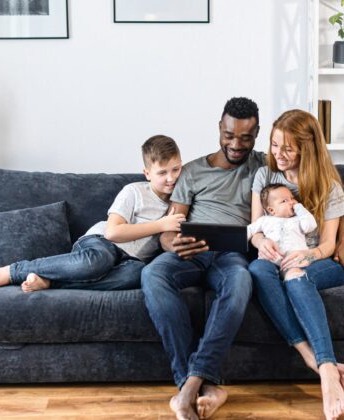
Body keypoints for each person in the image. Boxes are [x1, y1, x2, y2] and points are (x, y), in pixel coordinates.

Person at [141, 97, 263, 420]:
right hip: (191, 253)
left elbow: (315, 173)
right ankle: (198, 386)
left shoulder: (264, 167)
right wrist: (172, 245)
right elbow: (169, 227)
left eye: (245, 137)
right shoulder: (192, 171)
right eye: (229, 135)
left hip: (231, 256)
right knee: (152, 275)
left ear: (258, 134)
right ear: (219, 130)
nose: (236, 144)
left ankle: (189, 387)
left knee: (241, 282)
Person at [0, 135, 185, 292]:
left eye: (176, 169)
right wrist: (161, 225)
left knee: (137, 275)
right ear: (147, 174)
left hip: (131, 261)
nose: (171, 178)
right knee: (98, 261)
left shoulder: (183, 198)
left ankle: (50, 281)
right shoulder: (135, 191)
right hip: (102, 243)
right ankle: (13, 271)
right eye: (162, 173)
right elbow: (113, 232)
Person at [248, 109, 344, 420]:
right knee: (256, 270)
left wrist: (304, 258)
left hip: (318, 262)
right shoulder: (264, 177)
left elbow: (327, 245)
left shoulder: (327, 186)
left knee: (294, 276)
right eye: (274, 144)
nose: (278, 154)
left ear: (306, 148)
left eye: (288, 148)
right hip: (274, 257)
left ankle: (325, 369)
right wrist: (260, 244)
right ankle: (311, 358)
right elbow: (255, 228)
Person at [247, 183, 317, 279]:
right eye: (284, 201)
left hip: (296, 260)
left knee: (296, 273)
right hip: (271, 259)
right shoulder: (265, 220)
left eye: (292, 198)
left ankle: (294, 280)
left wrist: (300, 209)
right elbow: (249, 230)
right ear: (271, 210)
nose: (291, 202)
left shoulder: (299, 219)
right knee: (259, 266)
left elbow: (310, 226)